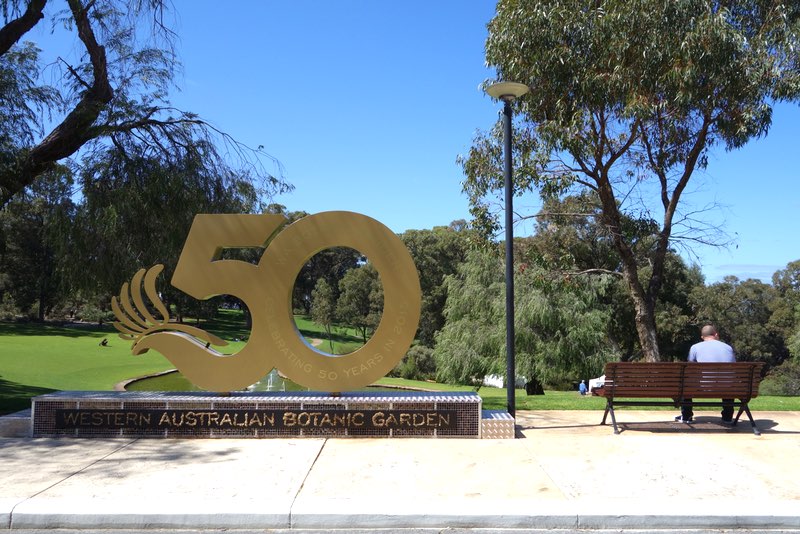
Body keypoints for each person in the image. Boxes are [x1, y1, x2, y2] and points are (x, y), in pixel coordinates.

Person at [675, 324, 736, 424]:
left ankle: (686, 416)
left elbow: (690, 369)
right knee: (726, 380)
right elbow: (733, 367)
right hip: (726, 387)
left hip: (703, 386)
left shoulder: (695, 347)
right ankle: (727, 416)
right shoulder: (728, 348)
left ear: (702, 337)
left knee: (686, 382)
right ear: (716, 334)